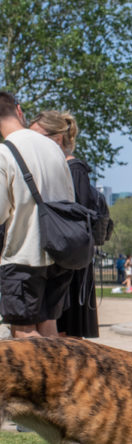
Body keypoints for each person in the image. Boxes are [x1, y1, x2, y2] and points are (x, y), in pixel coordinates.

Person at [0, 92, 75, 338]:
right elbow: (69, 199)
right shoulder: (53, 148)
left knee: (23, 333)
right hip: (58, 252)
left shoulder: (4, 153)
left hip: (23, 255)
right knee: (49, 327)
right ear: (19, 111)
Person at [30, 110, 99, 338]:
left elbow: (76, 214)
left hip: (68, 256)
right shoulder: (60, 167)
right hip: (60, 253)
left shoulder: (74, 168)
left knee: (67, 332)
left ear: (56, 138)